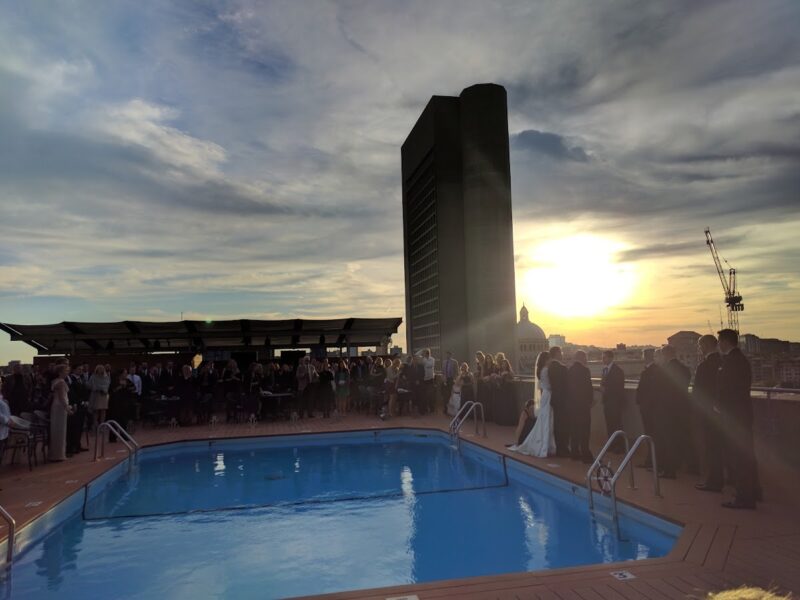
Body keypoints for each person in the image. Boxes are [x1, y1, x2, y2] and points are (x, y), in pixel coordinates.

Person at [717, 328, 758, 509]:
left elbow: (731, 389)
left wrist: (720, 406)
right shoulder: (738, 360)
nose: (718, 345)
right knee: (744, 455)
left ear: (725, 342)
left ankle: (744, 497)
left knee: (740, 456)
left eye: (720, 341)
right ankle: (750, 493)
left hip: (735, 415)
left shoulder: (733, 361)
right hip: (740, 414)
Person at [694, 335, 725, 492]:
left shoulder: (704, 366)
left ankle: (714, 481)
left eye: (700, 345)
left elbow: (698, 391)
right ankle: (720, 479)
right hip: (723, 412)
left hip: (708, 412)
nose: (699, 348)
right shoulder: (723, 362)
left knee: (712, 448)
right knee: (721, 447)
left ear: (705, 345)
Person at [510, 351, 554, 458]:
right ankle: (543, 445)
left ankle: (546, 444)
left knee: (545, 419)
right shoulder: (545, 370)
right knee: (546, 419)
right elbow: (548, 385)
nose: (550, 361)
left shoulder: (541, 370)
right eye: (549, 359)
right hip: (548, 394)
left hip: (545, 395)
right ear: (545, 360)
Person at [658, 345, 691, 479]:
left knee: (668, 440)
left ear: (665, 355)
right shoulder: (684, 369)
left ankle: (669, 470)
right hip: (681, 409)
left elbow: (660, 390)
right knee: (680, 437)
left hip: (667, 410)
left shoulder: (665, 370)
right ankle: (680, 464)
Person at [567, 350, 594, 463]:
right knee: (584, 430)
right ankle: (585, 454)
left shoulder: (570, 370)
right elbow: (588, 387)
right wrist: (590, 401)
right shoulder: (585, 370)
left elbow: (567, 389)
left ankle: (574, 452)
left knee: (574, 429)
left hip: (572, 405)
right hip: (583, 405)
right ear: (582, 358)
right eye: (585, 357)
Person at [635, 348, 661, 468]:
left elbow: (648, 390)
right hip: (650, 408)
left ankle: (652, 461)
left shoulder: (651, 371)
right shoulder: (653, 370)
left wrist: (643, 403)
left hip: (649, 409)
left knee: (651, 434)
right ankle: (651, 460)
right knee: (651, 434)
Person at [600, 350, 626, 453]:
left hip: (615, 402)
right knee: (609, 424)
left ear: (610, 358)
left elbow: (618, 387)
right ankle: (611, 444)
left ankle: (620, 446)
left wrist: (606, 390)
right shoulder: (604, 370)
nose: (603, 360)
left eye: (604, 357)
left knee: (616, 424)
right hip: (607, 402)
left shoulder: (617, 371)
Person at [547, 346, 569, 456]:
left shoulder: (550, 367)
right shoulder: (562, 368)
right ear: (556, 353)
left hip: (555, 399)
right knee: (563, 425)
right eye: (560, 352)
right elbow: (567, 385)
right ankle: (563, 448)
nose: (562, 354)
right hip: (563, 400)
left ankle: (559, 447)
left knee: (557, 424)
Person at [50, 364, 73, 461]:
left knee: (56, 430)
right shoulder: (61, 383)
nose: (67, 373)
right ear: (60, 372)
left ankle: (56, 453)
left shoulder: (55, 381)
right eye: (65, 371)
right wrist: (68, 409)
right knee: (60, 431)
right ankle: (59, 455)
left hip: (56, 407)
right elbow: (62, 398)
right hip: (60, 408)